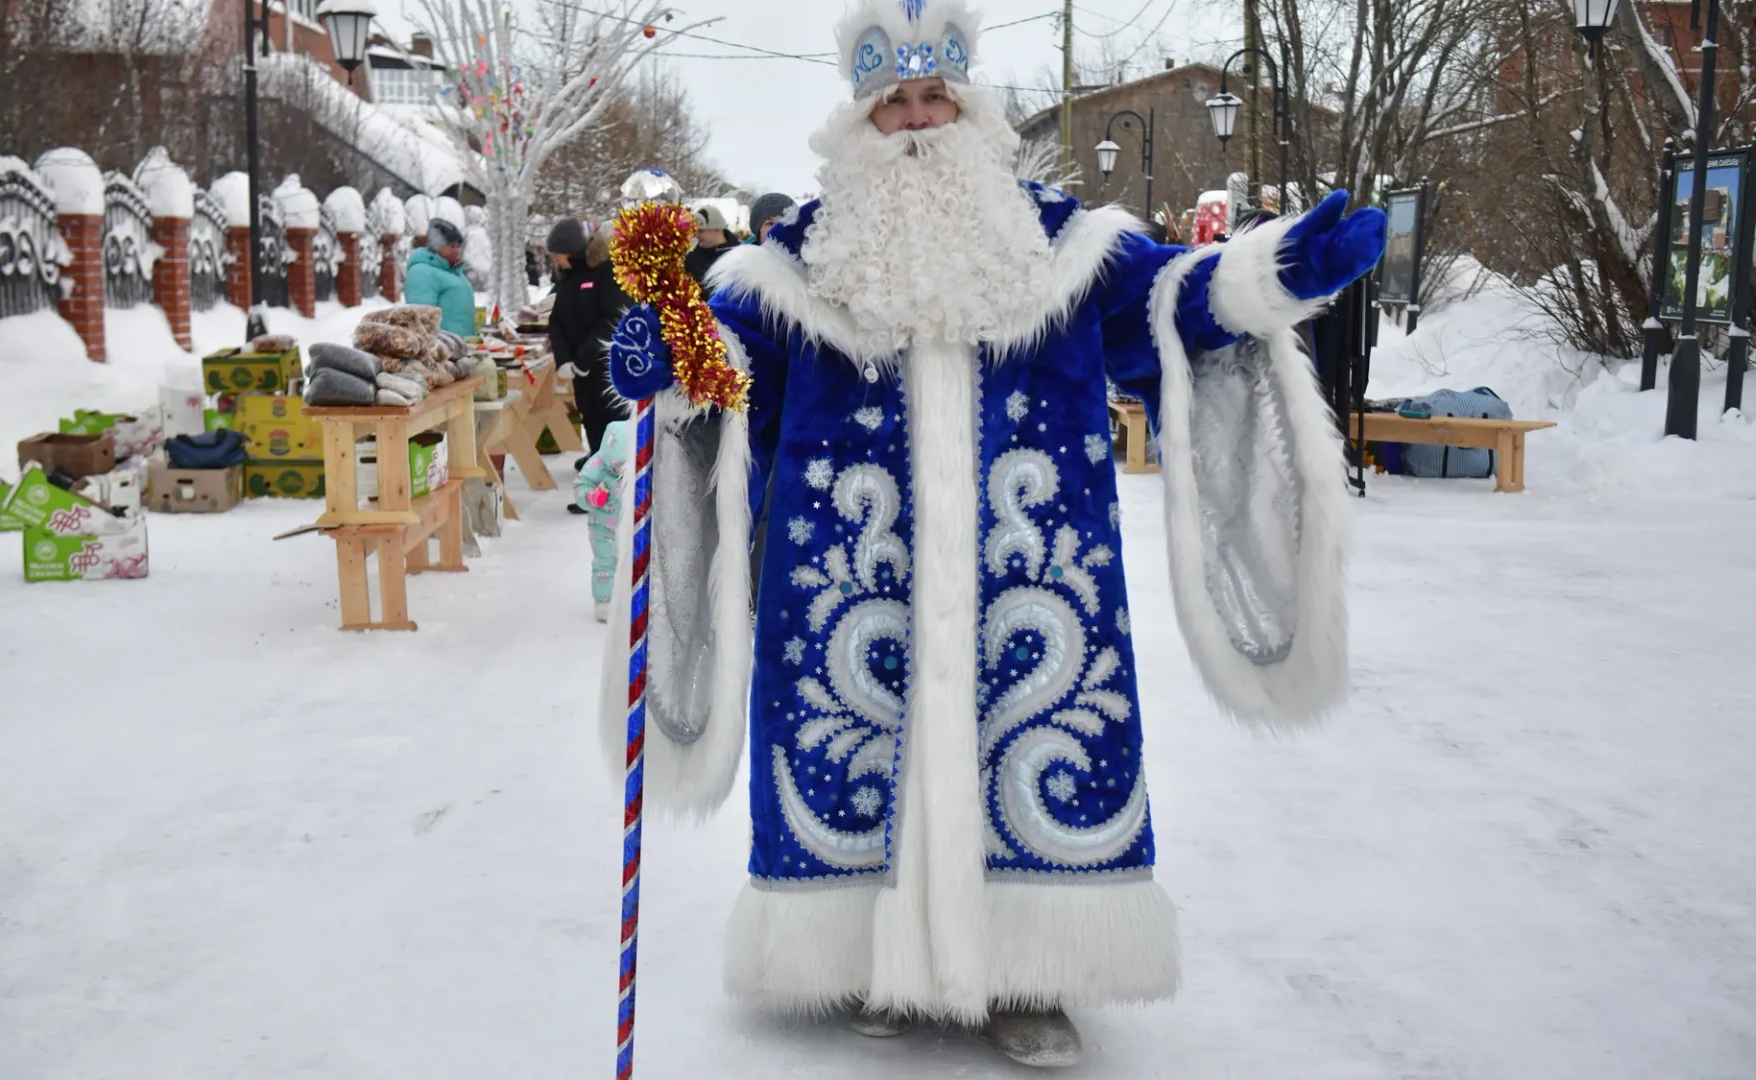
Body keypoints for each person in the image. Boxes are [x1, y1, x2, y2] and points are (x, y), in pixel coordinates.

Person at [599, 0, 1385, 1068]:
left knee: (1035, 742)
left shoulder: (1063, 249)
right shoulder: (792, 266)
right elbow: (727, 373)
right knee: (856, 751)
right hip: (849, 582)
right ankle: (869, 958)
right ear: (856, 120)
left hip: (1031, 572)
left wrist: (1274, 273)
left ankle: (1031, 973)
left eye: (937, 98)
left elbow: (1174, 304)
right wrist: (672, 355)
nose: (918, 123)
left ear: (973, 112)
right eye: (894, 104)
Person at [544, 216, 632, 513]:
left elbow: (613, 319)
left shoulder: (605, 273)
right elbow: (556, 321)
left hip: (605, 371)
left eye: (557, 252)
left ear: (571, 249)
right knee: (593, 428)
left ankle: (615, 494)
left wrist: (582, 360)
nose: (554, 258)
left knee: (609, 431)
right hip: (581, 374)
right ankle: (600, 492)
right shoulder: (566, 278)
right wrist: (563, 360)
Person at [572, 421, 631, 623]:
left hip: (632, 525)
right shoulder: (597, 464)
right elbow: (580, 486)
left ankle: (632, 597)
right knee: (605, 562)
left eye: (624, 467)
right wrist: (590, 497)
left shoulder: (644, 461)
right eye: (616, 467)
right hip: (603, 525)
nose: (619, 472)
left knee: (633, 561)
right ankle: (604, 601)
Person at [404, 219, 476, 339]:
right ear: (437, 245)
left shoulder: (454, 271)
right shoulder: (422, 272)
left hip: (460, 346)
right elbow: (421, 319)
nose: (457, 251)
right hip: (442, 349)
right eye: (452, 246)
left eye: (458, 246)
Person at [685, 204, 736, 295]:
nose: (696, 235)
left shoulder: (739, 255)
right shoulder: (691, 259)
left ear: (717, 229)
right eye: (695, 231)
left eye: (701, 231)